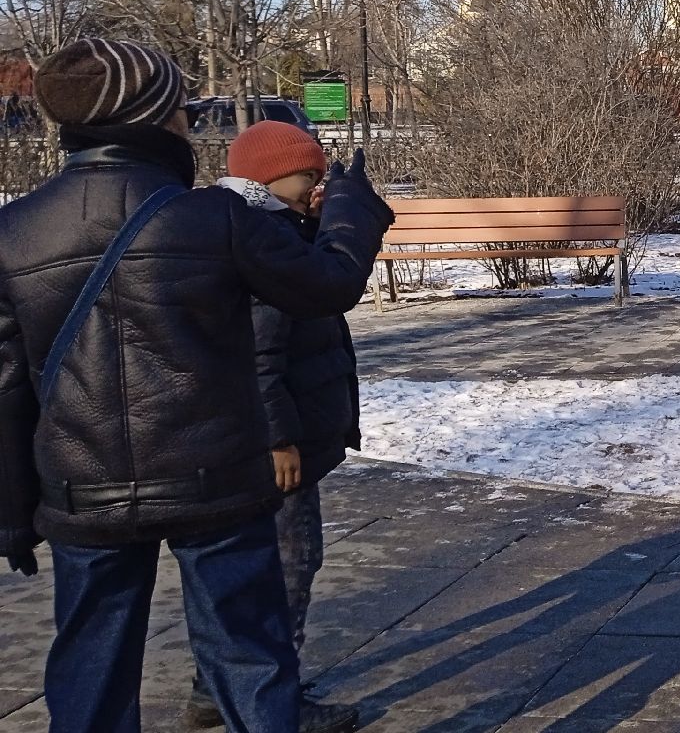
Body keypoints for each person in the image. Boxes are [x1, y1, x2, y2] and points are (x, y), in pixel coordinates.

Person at [0, 39, 392, 733]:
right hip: (215, 482)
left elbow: (5, 389)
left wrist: (10, 513)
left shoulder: (14, 231)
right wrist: (352, 210)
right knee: (249, 659)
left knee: (91, 667)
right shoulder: (216, 217)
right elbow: (326, 286)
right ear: (152, 120)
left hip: (80, 489)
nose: (187, 118)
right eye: (177, 107)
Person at [176, 121, 365, 731]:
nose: (317, 185)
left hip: (266, 436)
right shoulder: (266, 241)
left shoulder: (268, 230)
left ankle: (217, 688)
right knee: (289, 563)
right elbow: (259, 354)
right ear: (270, 176)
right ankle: (274, 700)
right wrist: (280, 437)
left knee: (258, 567)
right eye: (309, 174)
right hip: (277, 445)